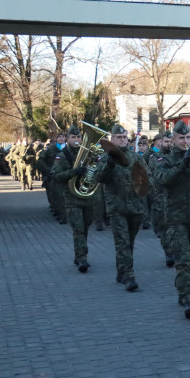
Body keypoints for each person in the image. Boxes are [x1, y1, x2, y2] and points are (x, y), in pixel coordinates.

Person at [152, 120, 190, 319]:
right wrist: (182, 163)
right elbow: (163, 180)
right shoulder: (164, 159)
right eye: (181, 138)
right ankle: (186, 295)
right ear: (173, 139)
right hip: (175, 216)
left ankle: (187, 290)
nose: (185, 141)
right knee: (183, 259)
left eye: (188, 137)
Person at [99, 125, 148, 292]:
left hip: (135, 206)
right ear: (112, 139)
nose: (122, 140)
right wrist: (110, 165)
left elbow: (146, 178)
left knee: (130, 242)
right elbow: (100, 178)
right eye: (119, 137)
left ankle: (121, 271)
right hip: (116, 207)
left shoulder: (136, 157)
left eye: (124, 137)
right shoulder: (105, 158)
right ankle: (129, 276)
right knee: (122, 242)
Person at [51, 126, 96, 271]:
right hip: (71, 197)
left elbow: (96, 171)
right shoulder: (62, 155)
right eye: (73, 138)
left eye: (78, 138)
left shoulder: (88, 153)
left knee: (86, 227)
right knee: (78, 228)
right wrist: (73, 172)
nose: (76, 140)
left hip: (86, 195)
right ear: (67, 139)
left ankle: (80, 254)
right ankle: (82, 258)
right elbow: (55, 176)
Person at [147, 131, 176, 267]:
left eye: (171, 142)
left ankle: (175, 251)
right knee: (163, 228)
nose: (169, 144)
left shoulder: (179, 156)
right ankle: (168, 252)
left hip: (176, 197)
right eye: (166, 142)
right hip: (160, 197)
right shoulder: (155, 157)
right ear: (161, 143)